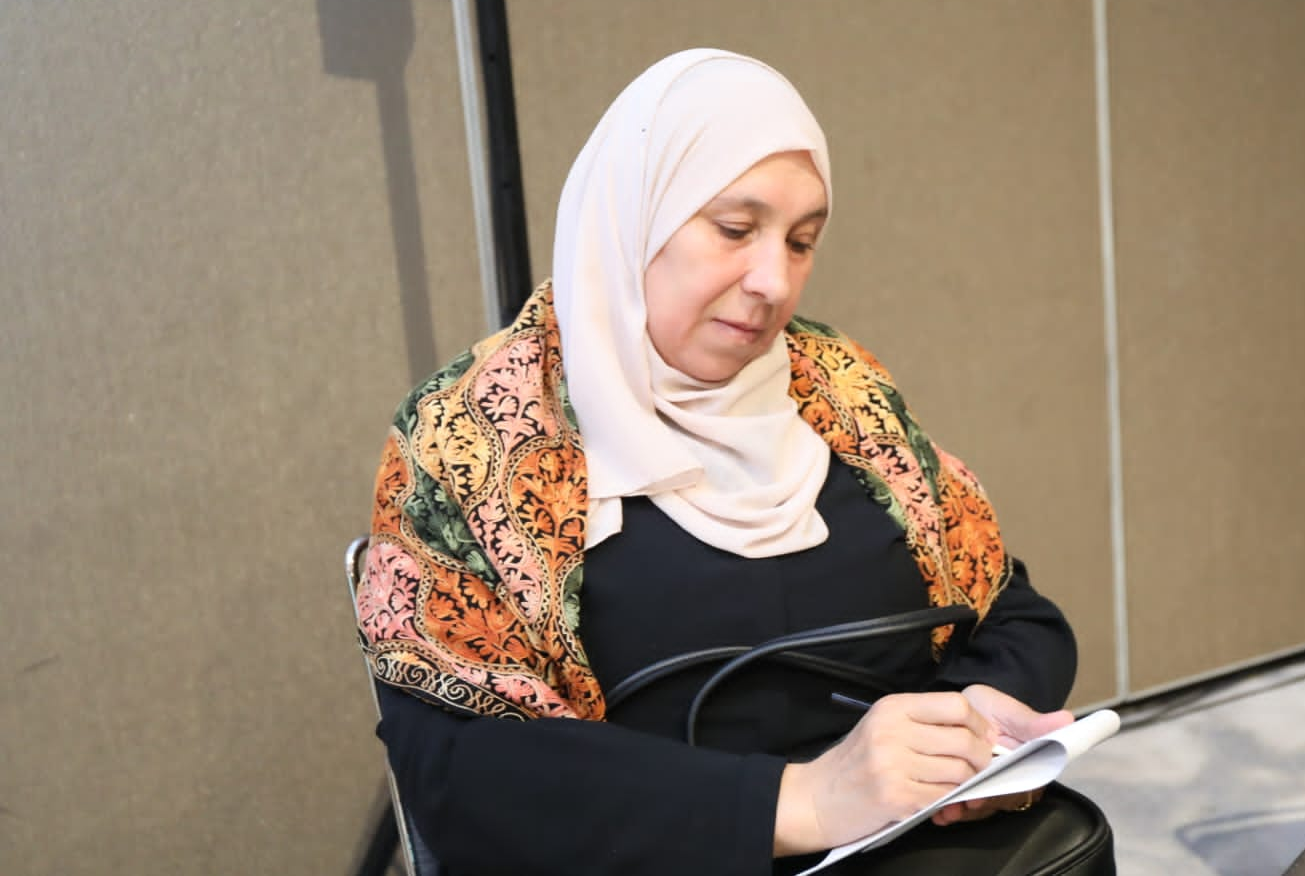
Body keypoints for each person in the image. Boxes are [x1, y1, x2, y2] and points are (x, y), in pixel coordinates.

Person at [357, 48, 1079, 875]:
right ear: (635, 215)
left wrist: (960, 726)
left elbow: (1013, 612)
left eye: (802, 242)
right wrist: (798, 802)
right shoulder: (478, 436)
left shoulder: (842, 393)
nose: (774, 281)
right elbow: (459, 774)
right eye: (735, 230)